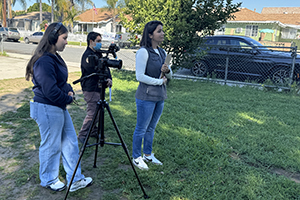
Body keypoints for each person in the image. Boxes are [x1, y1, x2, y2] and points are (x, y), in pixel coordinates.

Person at [25, 22, 93, 192]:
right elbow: (50, 91)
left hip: (57, 107)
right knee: (51, 145)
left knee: (70, 143)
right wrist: (67, 98)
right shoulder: (44, 61)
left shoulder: (54, 57)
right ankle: (48, 179)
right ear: (54, 38)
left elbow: (60, 82)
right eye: (65, 38)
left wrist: (69, 90)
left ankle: (75, 179)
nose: (67, 42)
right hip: (47, 108)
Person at [132, 21, 173, 170]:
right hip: (146, 97)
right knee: (141, 128)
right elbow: (140, 76)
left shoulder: (162, 52)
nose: (162, 34)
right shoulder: (143, 52)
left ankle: (147, 155)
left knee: (151, 128)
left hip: (159, 97)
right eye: (159, 31)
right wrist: (159, 81)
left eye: (162, 31)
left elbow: (170, 75)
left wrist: (167, 71)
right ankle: (136, 157)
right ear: (150, 35)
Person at [77, 32, 112, 144]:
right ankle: (82, 134)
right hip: (91, 88)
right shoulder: (88, 56)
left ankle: (92, 131)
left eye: (100, 41)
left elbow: (105, 68)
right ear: (91, 42)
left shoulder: (98, 54)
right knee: (93, 112)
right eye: (98, 41)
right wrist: (105, 78)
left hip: (99, 87)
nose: (100, 44)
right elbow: (95, 70)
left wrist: (109, 78)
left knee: (99, 111)